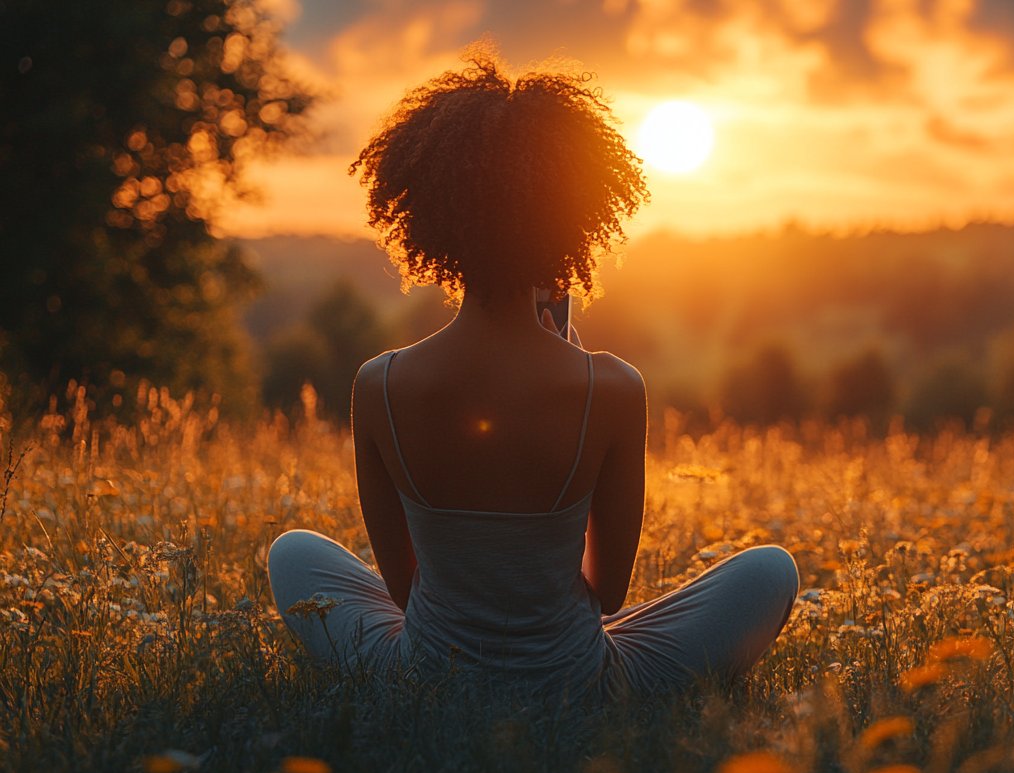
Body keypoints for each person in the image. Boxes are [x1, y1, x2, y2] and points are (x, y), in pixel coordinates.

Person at [265, 50, 799, 702]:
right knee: (771, 570)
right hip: (577, 688)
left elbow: (406, 593)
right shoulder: (612, 388)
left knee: (293, 552)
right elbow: (606, 594)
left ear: (430, 221)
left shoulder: (378, 384)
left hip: (426, 684)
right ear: (573, 224)